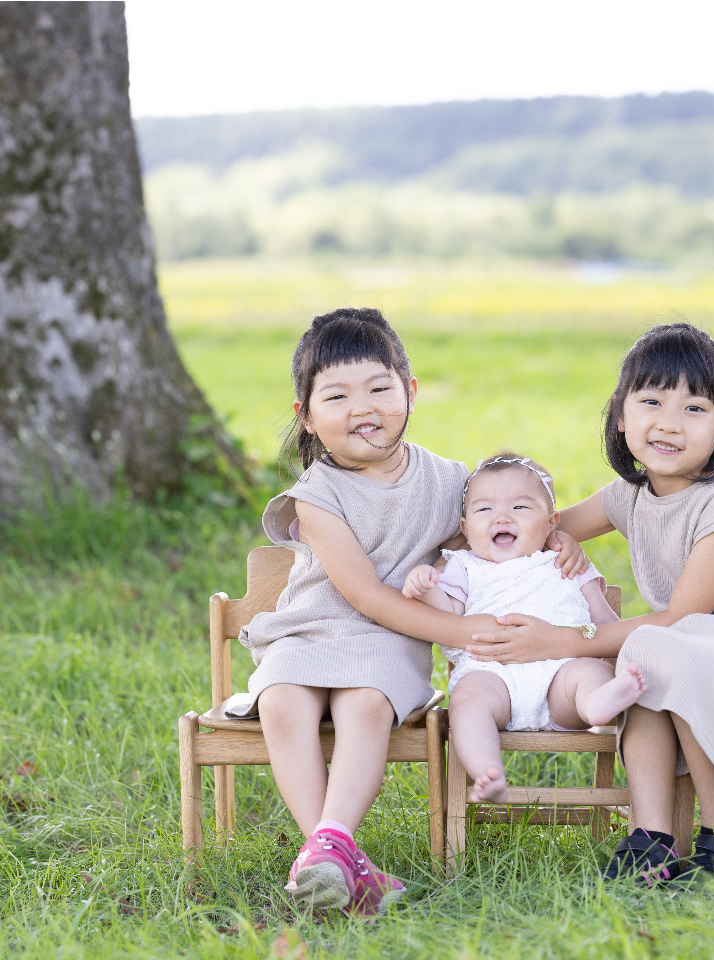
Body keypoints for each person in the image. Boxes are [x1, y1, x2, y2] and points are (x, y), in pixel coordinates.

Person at [228, 307, 587, 915]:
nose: (361, 406)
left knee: (366, 703)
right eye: (336, 395)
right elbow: (363, 595)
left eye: (378, 387)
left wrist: (557, 538)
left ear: (410, 392)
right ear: (307, 418)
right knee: (283, 700)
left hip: (389, 640)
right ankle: (334, 854)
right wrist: (462, 629)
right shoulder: (315, 494)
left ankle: (330, 853)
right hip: (312, 626)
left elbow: (501, 525)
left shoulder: (450, 482)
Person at [464, 322, 714, 885]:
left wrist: (563, 641)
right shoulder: (632, 494)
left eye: (695, 408)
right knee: (642, 662)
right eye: (650, 401)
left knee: (656, 645)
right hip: (702, 650)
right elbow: (535, 527)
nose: (668, 423)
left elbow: (681, 617)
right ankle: (652, 840)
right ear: (621, 417)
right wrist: (538, 538)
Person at [402, 452, 643, 805]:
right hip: (490, 675)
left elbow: (605, 623)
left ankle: (598, 704)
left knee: (588, 671)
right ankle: (488, 771)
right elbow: (449, 616)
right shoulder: (462, 566)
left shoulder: (567, 560)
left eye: (520, 508)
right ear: (466, 529)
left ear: (551, 523)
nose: (501, 516)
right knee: (467, 701)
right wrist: (427, 589)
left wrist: (615, 660)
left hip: (561, 677)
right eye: (484, 510)